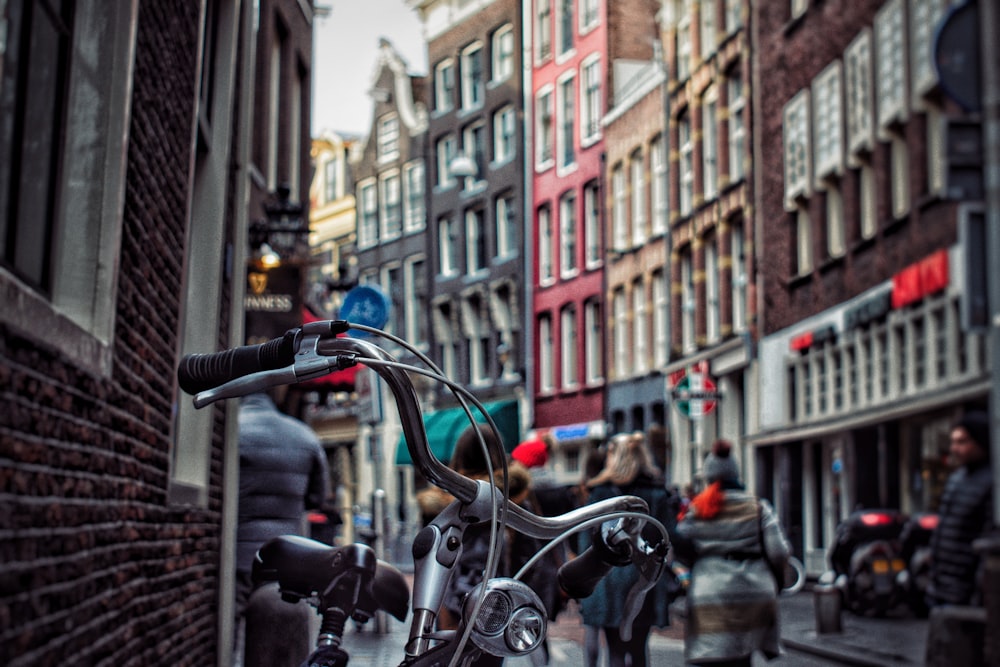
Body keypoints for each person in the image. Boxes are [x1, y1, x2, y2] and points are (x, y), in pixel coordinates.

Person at [673, 439, 790, 667]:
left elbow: (680, 541)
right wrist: (778, 581)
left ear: (708, 476)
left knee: (714, 657)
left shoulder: (699, 509)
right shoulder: (758, 507)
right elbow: (779, 551)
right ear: (736, 474)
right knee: (743, 656)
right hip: (755, 589)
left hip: (711, 591)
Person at [235, 391, 330, 667]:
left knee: (232, 631)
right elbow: (317, 498)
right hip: (288, 558)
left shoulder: (235, 432)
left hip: (240, 553)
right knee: (290, 627)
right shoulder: (305, 436)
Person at [415, 422, 519, 667]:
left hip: (448, 604)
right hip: (496, 607)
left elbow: (426, 559)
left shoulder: (439, 507)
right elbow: (527, 558)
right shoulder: (512, 501)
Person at [577, 432, 677, 667]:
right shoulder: (657, 492)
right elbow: (670, 534)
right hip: (645, 577)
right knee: (640, 648)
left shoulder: (599, 494)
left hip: (609, 578)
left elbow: (587, 540)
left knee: (615, 649)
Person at [926, 410, 993, 607]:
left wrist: (978, 594)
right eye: (953, 442)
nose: (954, 448)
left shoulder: (992, 483)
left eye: (962, 442)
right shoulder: (956, 480)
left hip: (968, 594)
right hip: (943, 590)